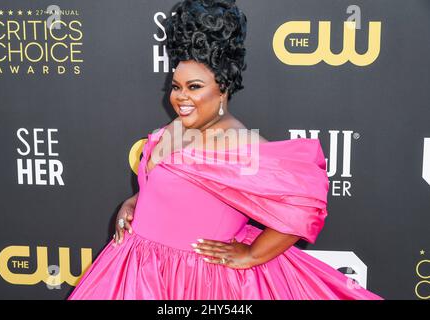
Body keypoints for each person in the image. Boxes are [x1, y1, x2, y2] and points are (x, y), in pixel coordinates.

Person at [67, 0, 383, 300]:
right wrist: (136, 202)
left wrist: (252, 254)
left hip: (193, 281)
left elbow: (304, 207)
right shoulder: (175, 127)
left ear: (223, 88)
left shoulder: (238, 144)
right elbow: (177, 192)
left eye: (194, 87)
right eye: (176, 86)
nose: (180, 97)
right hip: (137, 271)